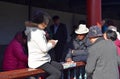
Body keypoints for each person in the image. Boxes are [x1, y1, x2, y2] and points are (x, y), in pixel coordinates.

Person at [25, 10, 63, 79]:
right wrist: (52, 44)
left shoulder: (35, 31)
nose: (46, 25)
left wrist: (49, 42)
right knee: (57, 74)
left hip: (43, 59)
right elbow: (44, 49)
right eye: (45, 23)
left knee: (60, 66)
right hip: (39, 61)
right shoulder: (36, 32)